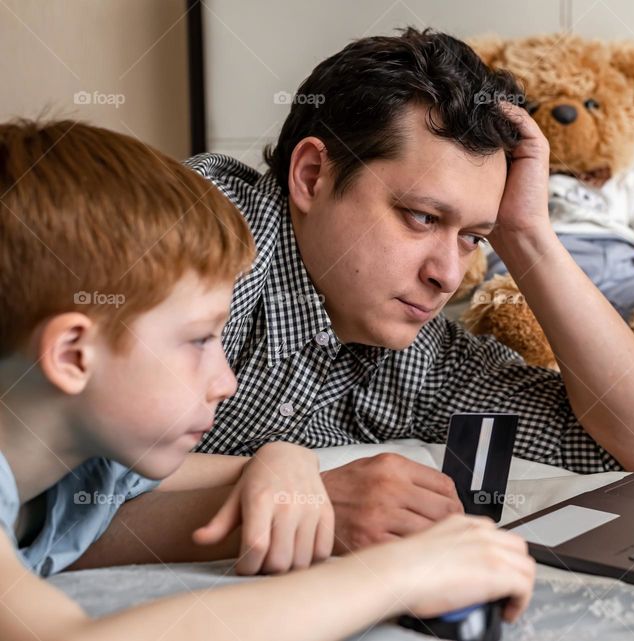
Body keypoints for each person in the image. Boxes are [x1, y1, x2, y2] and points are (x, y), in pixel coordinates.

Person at [77, 27, 634, 565]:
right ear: (313, 176)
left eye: (474, 236)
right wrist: (308, 500)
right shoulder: (196, 245)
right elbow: (48, 496)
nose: (447, 275)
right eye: (421, 217)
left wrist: (529, 238)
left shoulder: (418, 351)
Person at [0, 118, 535, 641]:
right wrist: (401, 576)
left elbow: (198, 476)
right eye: (198, 341)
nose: (225, 382)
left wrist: (284, 457)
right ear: (72, 355)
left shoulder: (79, 466)